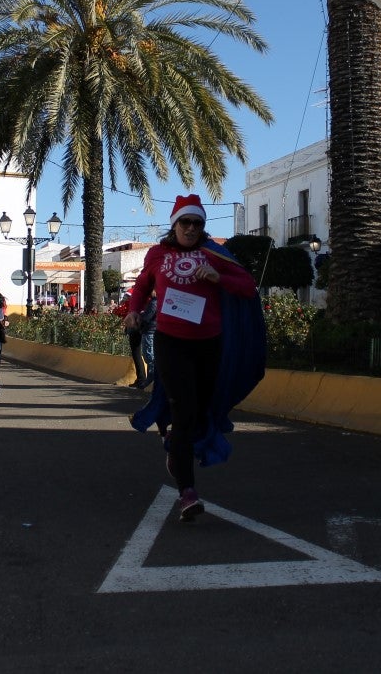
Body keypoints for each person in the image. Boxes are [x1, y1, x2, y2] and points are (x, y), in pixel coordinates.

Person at [124, 195, 263, 522]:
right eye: (185, 222)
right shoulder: (159, 254)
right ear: (175, 225)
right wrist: (133, 311)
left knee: (200, 410)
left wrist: (220, 279)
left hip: (210, 344)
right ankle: (187, 491)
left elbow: (247, 287)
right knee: (184, 411)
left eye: (197, 223)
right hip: (171, 343)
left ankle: (175, 445)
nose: (191, 228)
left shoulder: (215, 254)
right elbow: (143, 286)